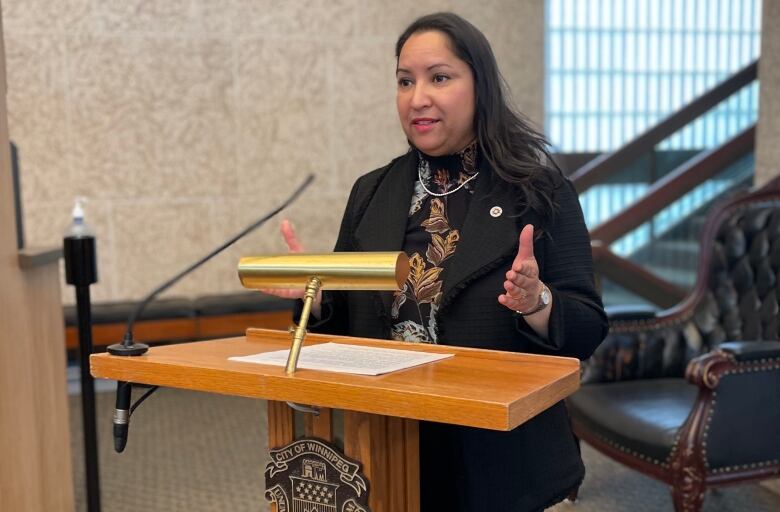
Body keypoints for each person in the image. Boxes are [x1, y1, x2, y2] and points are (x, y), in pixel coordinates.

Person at [266, 12, 608, 512]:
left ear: (480, 87)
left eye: (439, 78)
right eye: (405, 81)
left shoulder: (538, 192)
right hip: (389, 452)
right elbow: (344, 323)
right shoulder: (372, 192)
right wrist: (314, 298)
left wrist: (538, 301)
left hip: (505, 464)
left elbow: (587, 330)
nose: (417, 97)